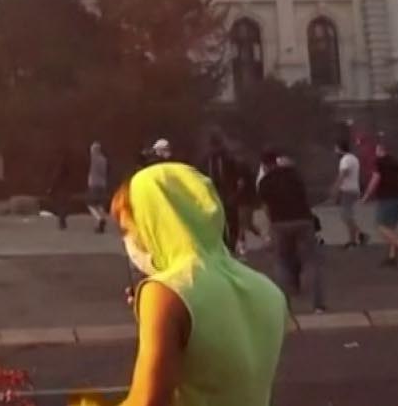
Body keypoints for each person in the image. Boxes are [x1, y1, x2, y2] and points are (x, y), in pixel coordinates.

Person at [112, 163, 286, 406]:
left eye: (127, 229)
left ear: (154, 223)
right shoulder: (268, 290)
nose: (128, 241)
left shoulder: (166, 291)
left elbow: (148, 402)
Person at [258, 151, 325, 314]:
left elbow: (266, 207)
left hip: (280, 223)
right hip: (302, 220)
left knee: (282, 262)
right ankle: (318, 305)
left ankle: (284, 306)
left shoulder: (265, 182)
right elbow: (305, 195)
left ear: (265, 165)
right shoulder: (294, 175)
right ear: (277, 161)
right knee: (311, 261)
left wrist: (268, 229)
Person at [363, 142, 398, 266]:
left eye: (376, 150)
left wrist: (366, 196)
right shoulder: (395, 162)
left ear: (380, 150)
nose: (375, 152)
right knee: (392, 226)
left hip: (386, 199)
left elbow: (375, 179)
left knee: (379, 225)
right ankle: (392, 257)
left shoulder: (379, 162)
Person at [203, 131, 246, 254]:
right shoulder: (206, 160)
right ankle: (221, 246)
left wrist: (236, 193)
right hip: (213, 194)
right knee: (217, 222)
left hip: (229, 193)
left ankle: (231, 245)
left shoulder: (229, 159)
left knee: (232, 221)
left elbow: (239, 177)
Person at [333, 139, 365, 247]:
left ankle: (354, 240)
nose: (335, 151)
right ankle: (359, 235)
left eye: (336, 149)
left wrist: (335, 188)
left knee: (346, 215)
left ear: (339, 148)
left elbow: (343, 174)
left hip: (347, 190)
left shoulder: (345, 160)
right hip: (354, 189)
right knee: (347, 215)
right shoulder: (354, 158)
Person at [86, 141, 111, 234]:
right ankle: (101, 220)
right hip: (102, 184)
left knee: (90, 204)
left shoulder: (93, 159)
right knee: (99, 204)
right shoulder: (104, 159)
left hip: (94, 184)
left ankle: (99, 218)